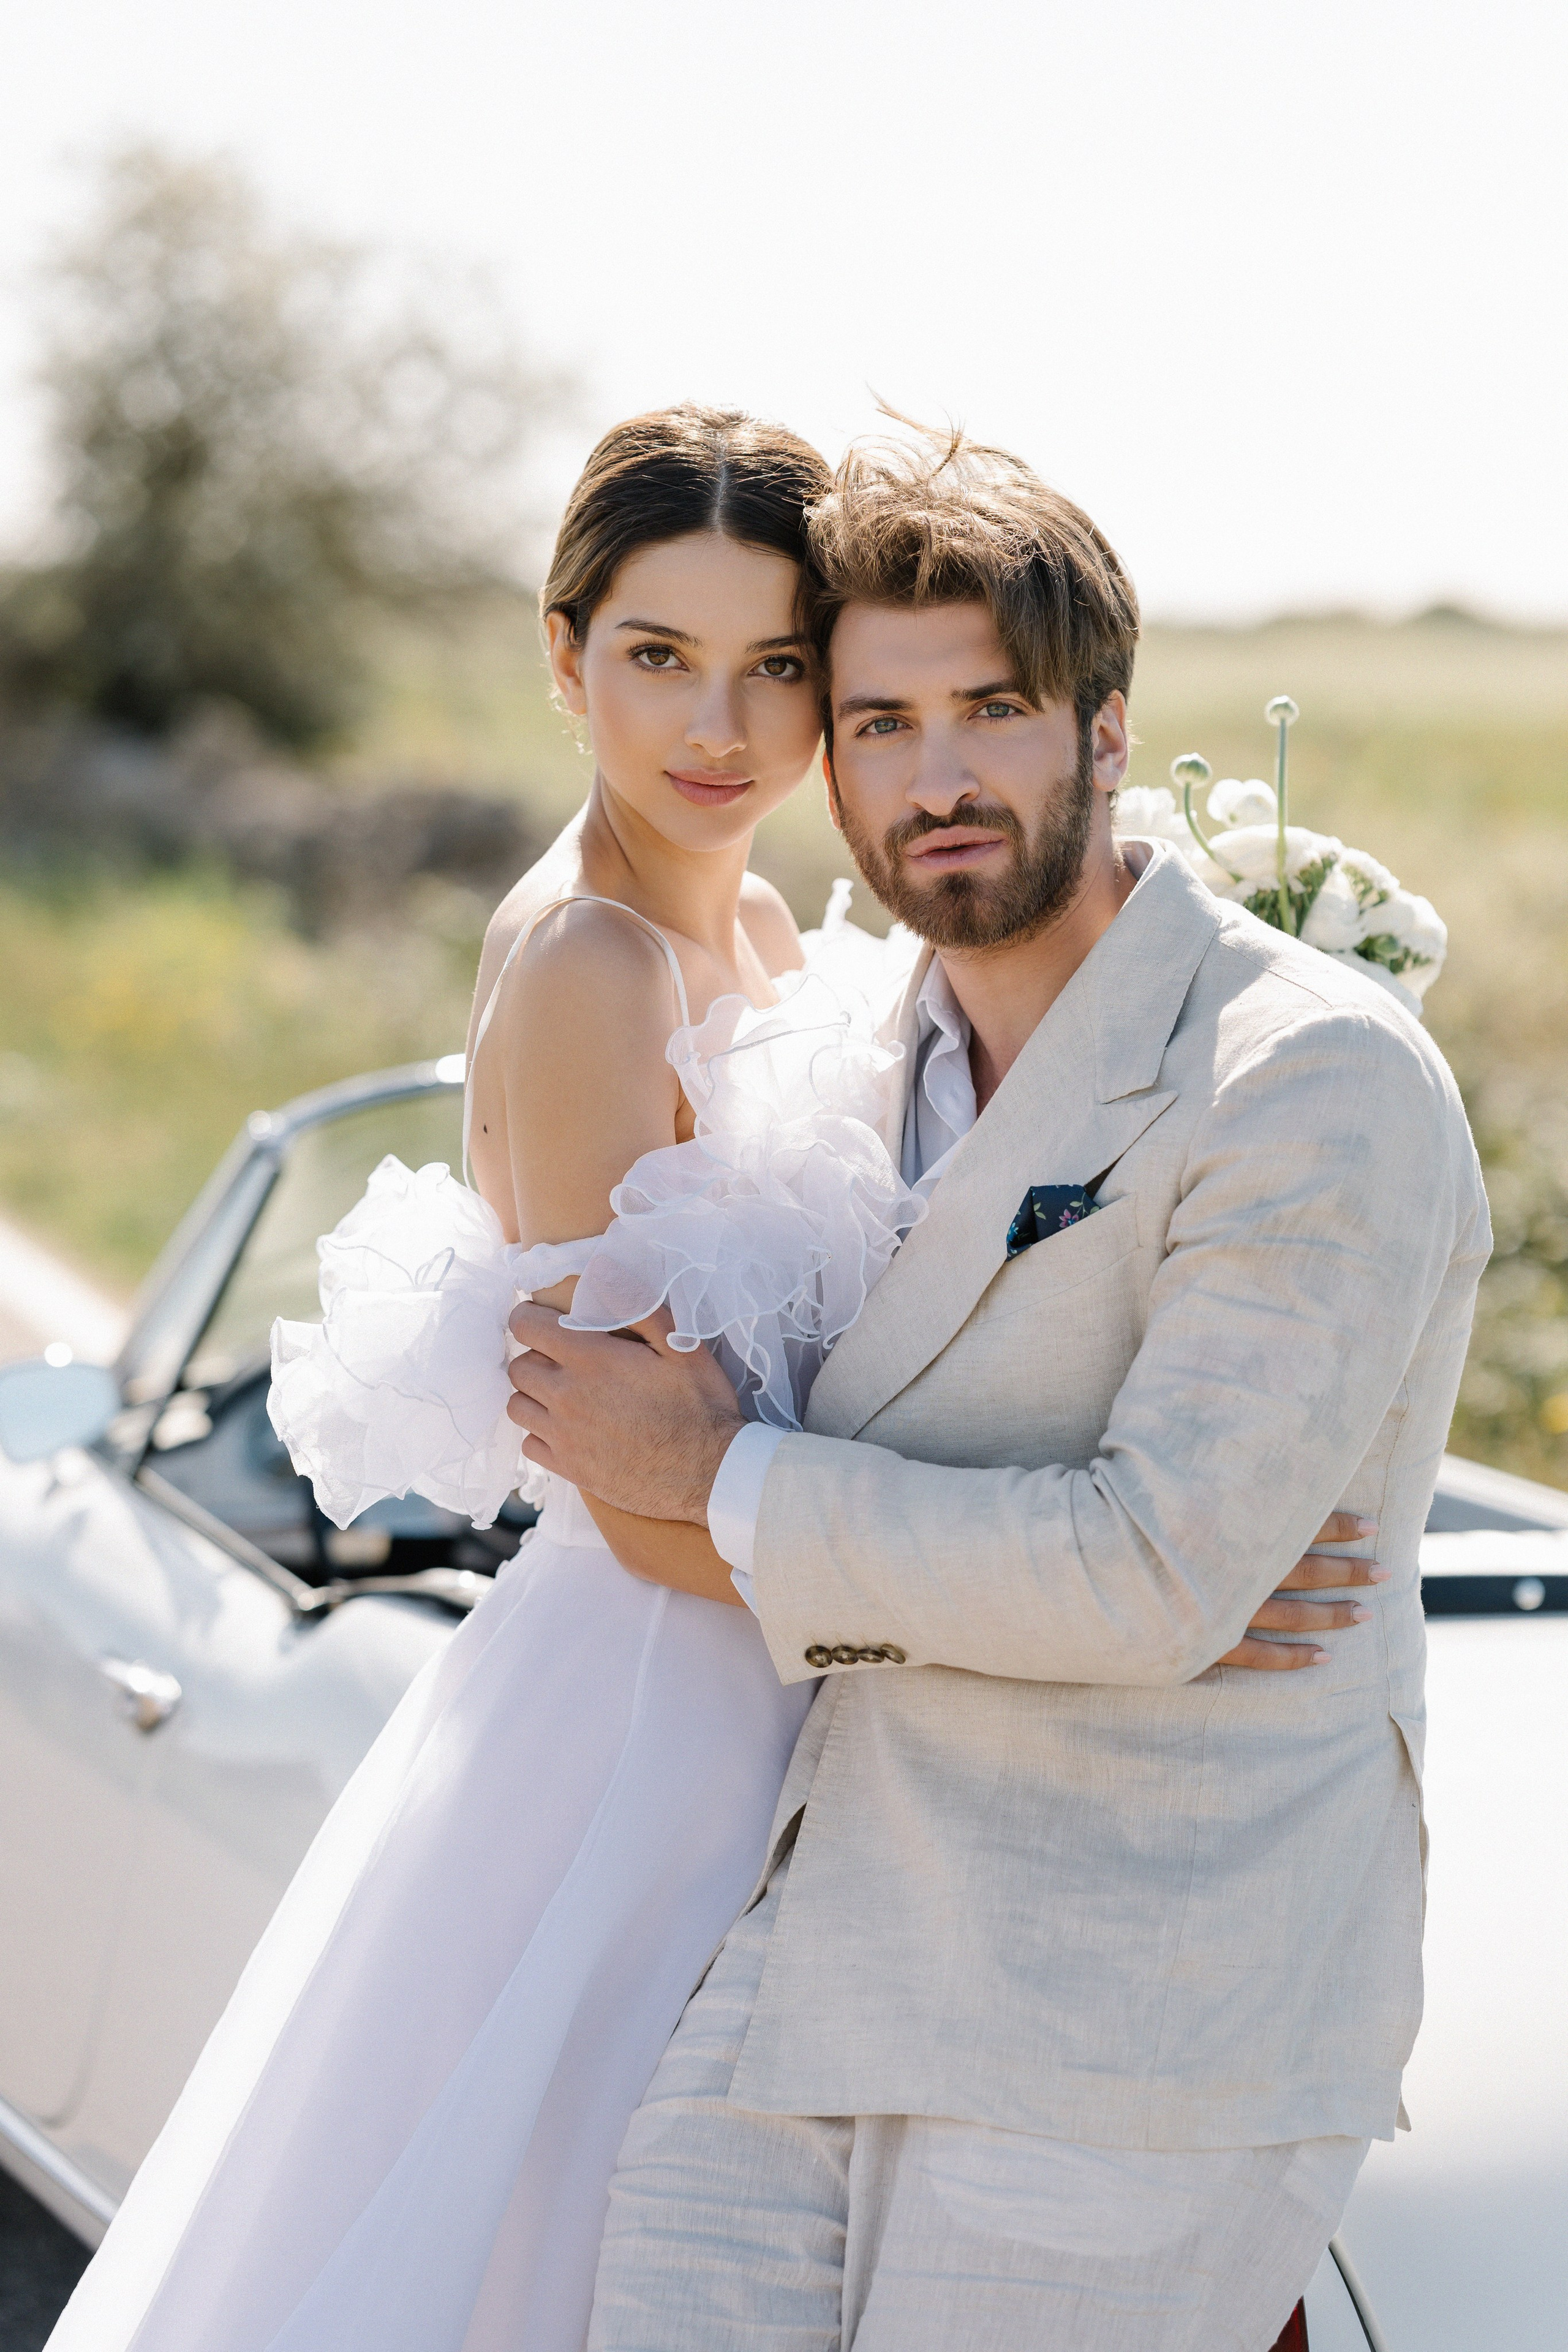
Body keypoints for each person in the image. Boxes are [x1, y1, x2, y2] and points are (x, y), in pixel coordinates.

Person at [48, 405, 1376, 2352]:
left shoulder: (750, 916)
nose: (721, 731)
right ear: (563, 651)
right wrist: (1116, 1622)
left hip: (802, 1669)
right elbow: (640, 1496)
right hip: (654, 1722)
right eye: (661, 657)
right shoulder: (591, 961)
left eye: (777, 670)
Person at [505, 425, 1492, 2351]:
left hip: (1137, 2012)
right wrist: (1075, 1582)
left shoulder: (1312, 1079)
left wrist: (725, 1483)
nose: (935, 776)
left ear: (1108, 729)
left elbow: (1147, 1579)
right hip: (813, 1961)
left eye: (994, 711)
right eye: (876, 721)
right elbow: (1104, 1577)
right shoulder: (853, 1045)